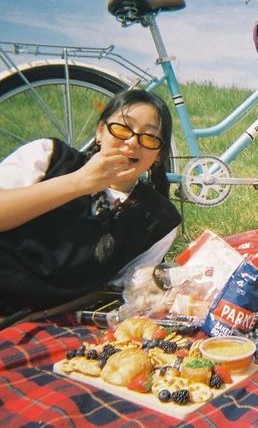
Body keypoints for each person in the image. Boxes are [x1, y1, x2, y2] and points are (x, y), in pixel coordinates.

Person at [0, 89, 182, 316]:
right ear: (100, 132)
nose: (133, 141)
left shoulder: (159, 221)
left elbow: (117, 291)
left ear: (159, 155)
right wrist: (80, 182)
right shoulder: (49, 156)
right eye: (123, 127)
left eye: (149, 137)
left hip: (37, 321)